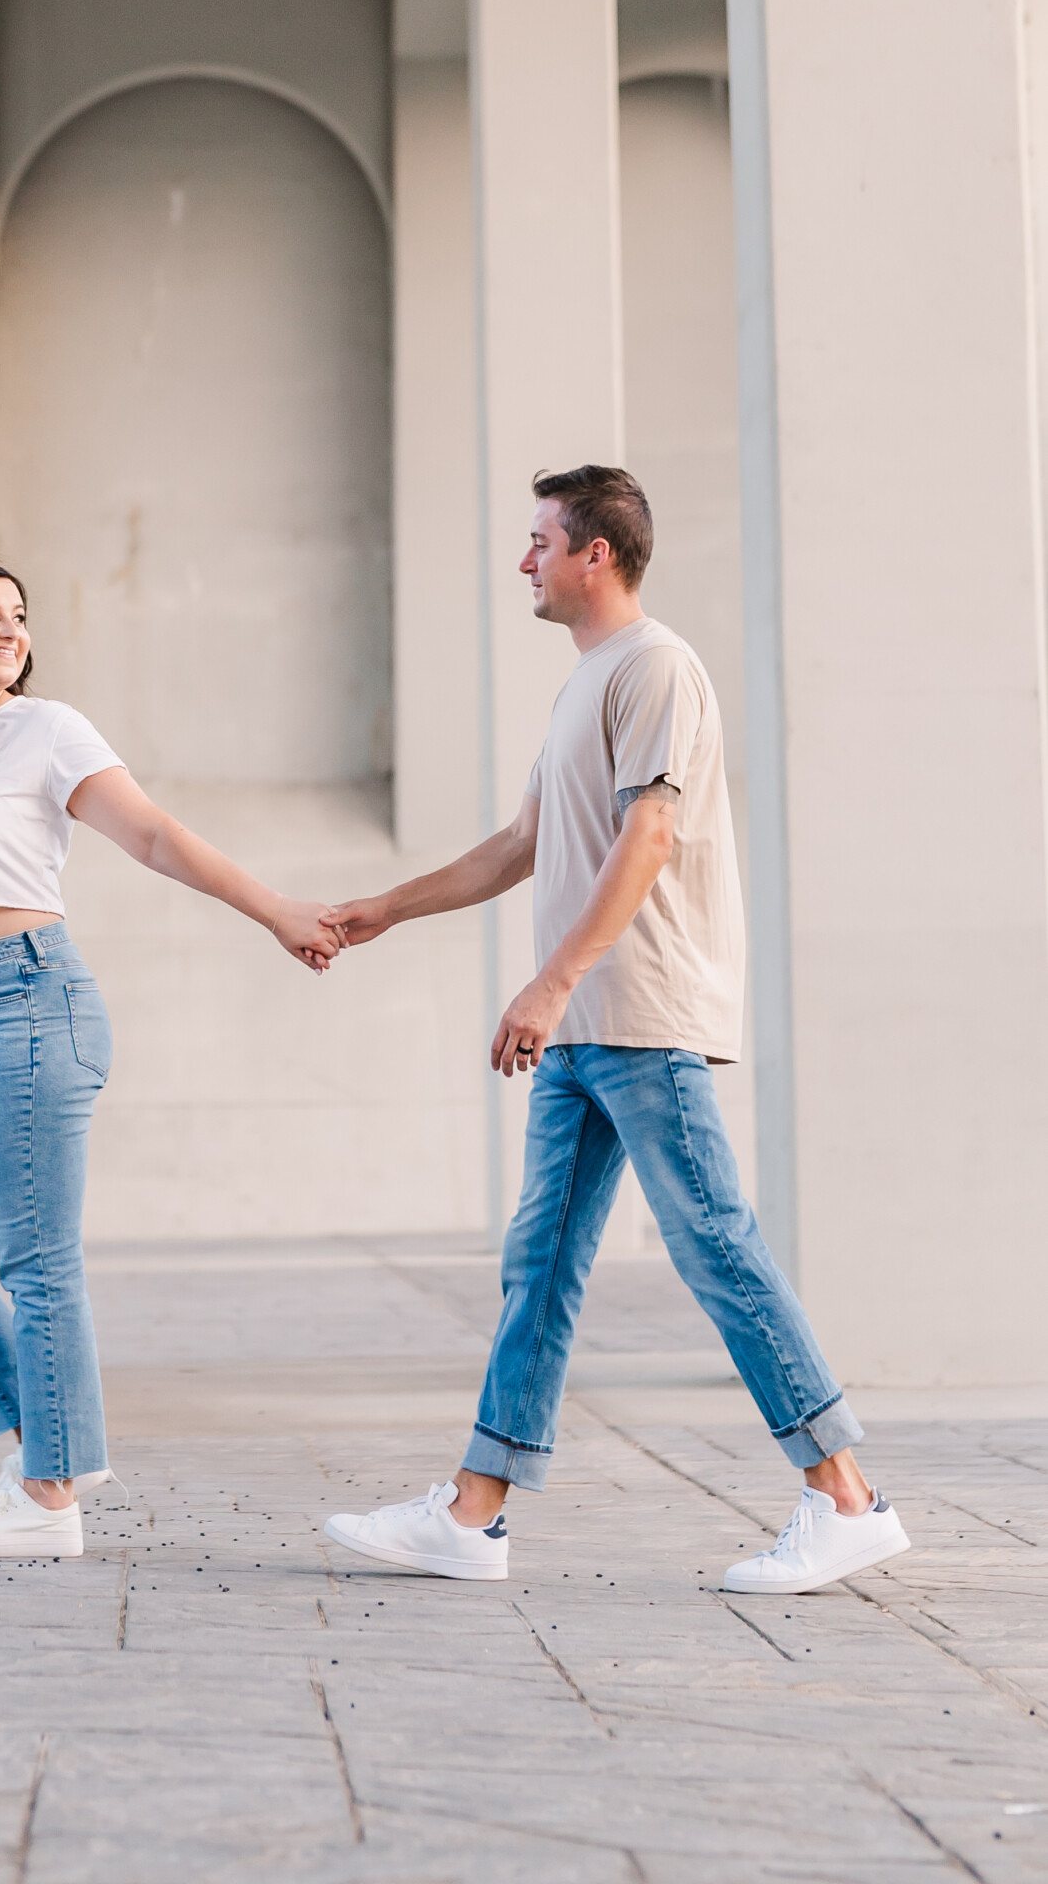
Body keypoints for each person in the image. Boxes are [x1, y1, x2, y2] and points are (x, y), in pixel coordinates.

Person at [318, 466, 910, 1596]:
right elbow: (517, 845)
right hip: (586, 1027)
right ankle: (472, 1513)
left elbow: (650, 837)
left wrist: (549, 983)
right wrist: (383, 909)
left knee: (713, 1243)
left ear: (597, 553)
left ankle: (845, 1498)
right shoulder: (585, 685)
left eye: (541, 540)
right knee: (537, 1265)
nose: (526, 560)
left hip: (636, 1013)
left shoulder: (657, 668)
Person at [0, 557, 341, 1562]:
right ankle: (43, 1453)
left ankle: (47, 1493)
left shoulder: (49, 730)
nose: (10, 630)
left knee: (36, 1258)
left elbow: (156, 836)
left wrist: (276, 910)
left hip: (34, 1002)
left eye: (21, 616)